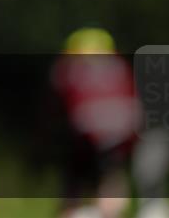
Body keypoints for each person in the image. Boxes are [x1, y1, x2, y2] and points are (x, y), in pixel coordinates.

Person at [50, 27, 141, 218]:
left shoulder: (68, 68)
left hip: (85, 134)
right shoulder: (120, 66)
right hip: (121, 134)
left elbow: (56, 104)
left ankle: (74, 209)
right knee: (111, 178)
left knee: (75, 179)